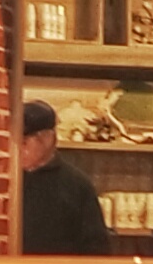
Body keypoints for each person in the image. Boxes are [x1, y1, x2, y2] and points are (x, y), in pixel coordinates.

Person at [19, 97, 112, 255]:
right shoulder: (5, 181)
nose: (19, 149)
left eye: (25, 142)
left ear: (48, 139)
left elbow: (96, 248)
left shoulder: (77, 185)